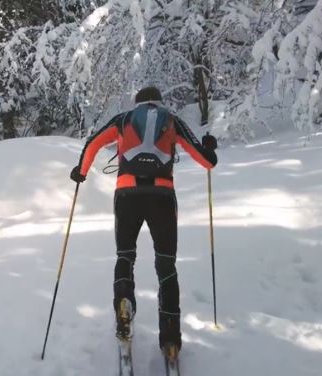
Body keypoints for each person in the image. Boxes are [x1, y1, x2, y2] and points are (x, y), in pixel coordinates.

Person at [70, 86, 218, 359]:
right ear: (159, 102)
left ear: (136, 102)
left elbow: (93, 143)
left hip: (127, 194)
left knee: (125, 256)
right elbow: (206, 162)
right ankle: (171, 336)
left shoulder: (124, 119)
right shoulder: (172, 120)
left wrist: (80, 172)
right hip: (162, 195)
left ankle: (124, 301)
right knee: (166, 264)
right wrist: (209, 148)